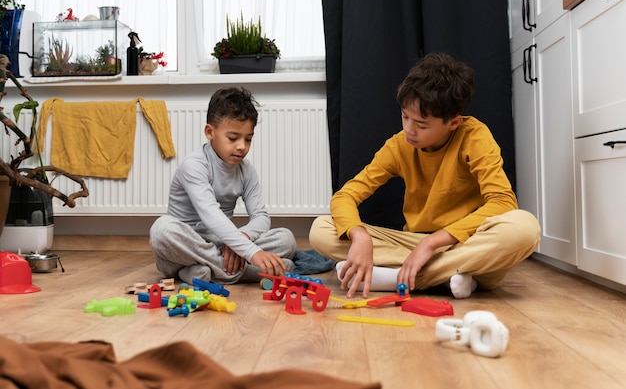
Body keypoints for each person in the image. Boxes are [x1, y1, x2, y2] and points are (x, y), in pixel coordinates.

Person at [309, 53, 540, 299]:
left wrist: (431, 244)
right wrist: (359, 235)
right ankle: (448, 276)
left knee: (525, 228)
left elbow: (503, 202)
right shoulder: (399, 146)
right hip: (416, 244)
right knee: (321, 229)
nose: (408, 129)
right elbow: (346, 195)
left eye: (421, 124)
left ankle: (398, 277)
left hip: (466, 243)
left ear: (453, 122)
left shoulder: (474, 137)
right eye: (405, 116)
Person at [150, 87, 296, 285]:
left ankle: (200, 272)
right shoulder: (194, 165)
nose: (242, 146)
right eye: (233, 138)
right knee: (161, 230)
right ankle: (247, 271)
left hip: (223, 241)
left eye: (248, 139)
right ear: (210, 132)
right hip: (187, 244)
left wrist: (241, 240)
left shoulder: (246, 170)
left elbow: (261, 217)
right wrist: (251, 252)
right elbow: (211, 215)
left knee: (286, 239)